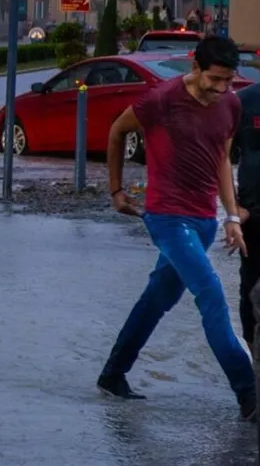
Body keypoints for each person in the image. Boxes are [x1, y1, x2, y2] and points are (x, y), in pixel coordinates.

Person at [100, 35, 257, 420]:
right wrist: (117, 190)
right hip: (167, 217)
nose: (220, 89)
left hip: (204, 220)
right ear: (195, 69)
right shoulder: (162, 100)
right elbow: (117, 131)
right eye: (214, 79)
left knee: (157, 300)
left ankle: (112, 374)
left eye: (228, 80)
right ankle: (249, 394)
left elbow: (221, 156)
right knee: (211, 292)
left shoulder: (231, 104)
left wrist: (232, 216)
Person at [235, 80, 260, 357]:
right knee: (251, 288)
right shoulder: (242, 101)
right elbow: (219, 157)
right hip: (253, 216)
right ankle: (255, 358)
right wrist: (232, 211)